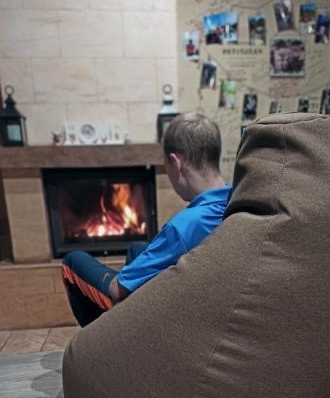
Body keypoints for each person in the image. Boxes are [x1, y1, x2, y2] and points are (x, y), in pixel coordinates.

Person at [61, 112, 232, 327]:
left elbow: (116, 290)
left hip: (175, 318)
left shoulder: (183, 227)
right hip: (206, 302)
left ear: (175, 162)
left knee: (72, 260)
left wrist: (121, 282)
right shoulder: (236, 201)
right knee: (137, 248)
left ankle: (101, 339)